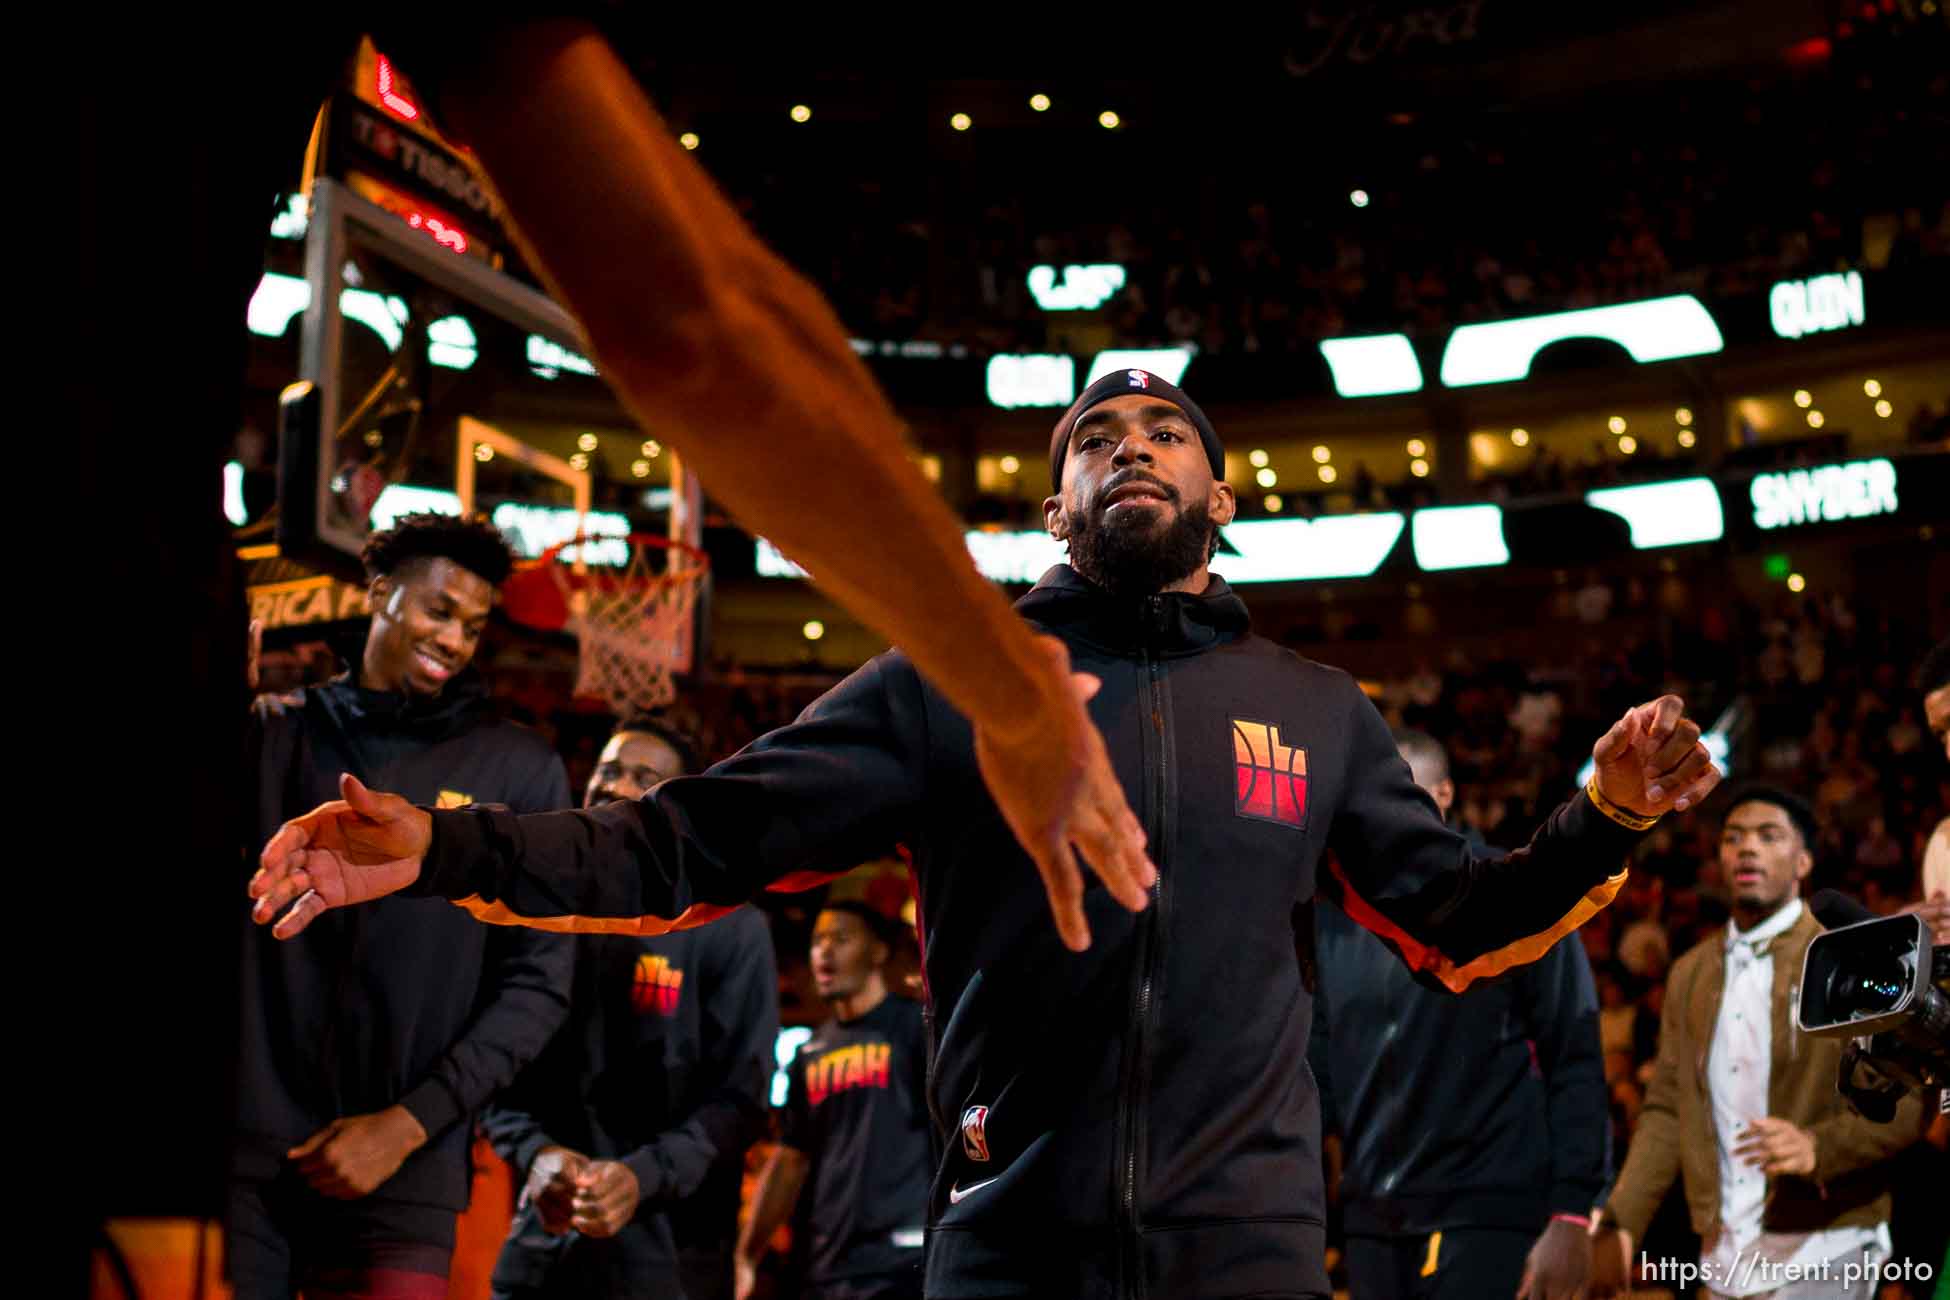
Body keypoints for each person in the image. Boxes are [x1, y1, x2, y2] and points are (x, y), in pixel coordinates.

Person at [253, 369, 1721, 1297]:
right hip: (1008, 1248)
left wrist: (1604, 818)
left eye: (1164, 433)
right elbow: (673, 848)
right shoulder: (943, 687)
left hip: (1251, 1255)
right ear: (1055, 498)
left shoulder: (1317, 708)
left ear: (1219, 495)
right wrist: (443, 847)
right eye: (1095, 437)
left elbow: (1467, 923)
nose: (1130, 446)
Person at [231, 512, 576, 1298]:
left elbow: (537, 983)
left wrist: (410, 1124)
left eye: (474, 626)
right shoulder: (274, 731)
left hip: (406, 1165)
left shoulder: (520, 770)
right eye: (439, 611)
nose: (455, 640)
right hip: (250, 1153)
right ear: (380, 592)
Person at [1589, 787, 1929, 1300]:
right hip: (1721, 1253)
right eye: (1733, 838)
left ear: (1804, 861)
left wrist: (1818, 1147)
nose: (1747, 848)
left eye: (1769, 837)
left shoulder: (1852, 956)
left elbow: (1906, 1103)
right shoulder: (1690, 972)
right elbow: (1664, 1109)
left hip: (1829, 1240)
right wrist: (1622, 1222)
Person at [483, 719, 779, 1300]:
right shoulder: (540, 917)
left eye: (645, 778)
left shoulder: (731, 928)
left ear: (680, 807)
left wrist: (641, 1177)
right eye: (608, 770)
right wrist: (537, 1154)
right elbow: (499, 1074)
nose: (616, 786)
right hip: (543, 1254)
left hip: (672, 1258)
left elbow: (742, 1099)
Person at [1310, 731, 1608, 1300]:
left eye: (1398, 793)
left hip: (1488, 1214)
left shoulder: (1513, 891)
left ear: (1444, 793)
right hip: (1372, 1223)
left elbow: (1574, 1054)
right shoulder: (1337, 919)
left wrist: (1574, 1210)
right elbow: (1317, 1077)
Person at [736, 903, 932, 1300]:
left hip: (905, 1259)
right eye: (818, 940)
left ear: (878, 952)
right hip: (829, 1266)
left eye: (841, 939)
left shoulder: (914, 1028)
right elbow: (790, 1160)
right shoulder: (809, 1052)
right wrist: (747, 1254)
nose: (825, 951)